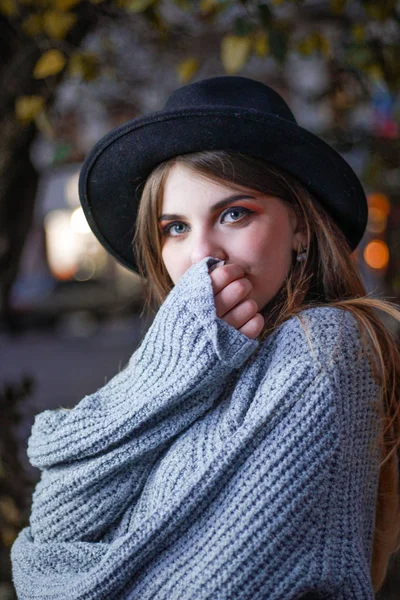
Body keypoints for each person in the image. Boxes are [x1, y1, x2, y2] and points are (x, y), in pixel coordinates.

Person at [11, 76, 400, 599]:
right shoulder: (184, 363)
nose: (202, 255)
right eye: (175, 227)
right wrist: (158, 377)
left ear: (301, 228)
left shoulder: (324, 347)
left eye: (234, 213)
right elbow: (50, 539)